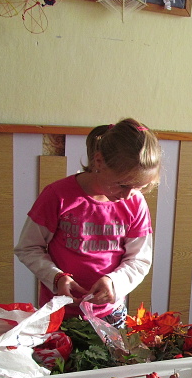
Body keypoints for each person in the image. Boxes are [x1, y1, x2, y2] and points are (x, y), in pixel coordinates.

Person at [15, 118, 161, 327]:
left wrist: (113, 282)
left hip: (110, 314)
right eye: (122, 185)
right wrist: (57, 278)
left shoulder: (135, 203)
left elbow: (139, 260)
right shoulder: (58, 196)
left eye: (140, 187)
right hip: (58, 312)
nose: (128, 195)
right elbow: (28, 247)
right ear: (99, 161)